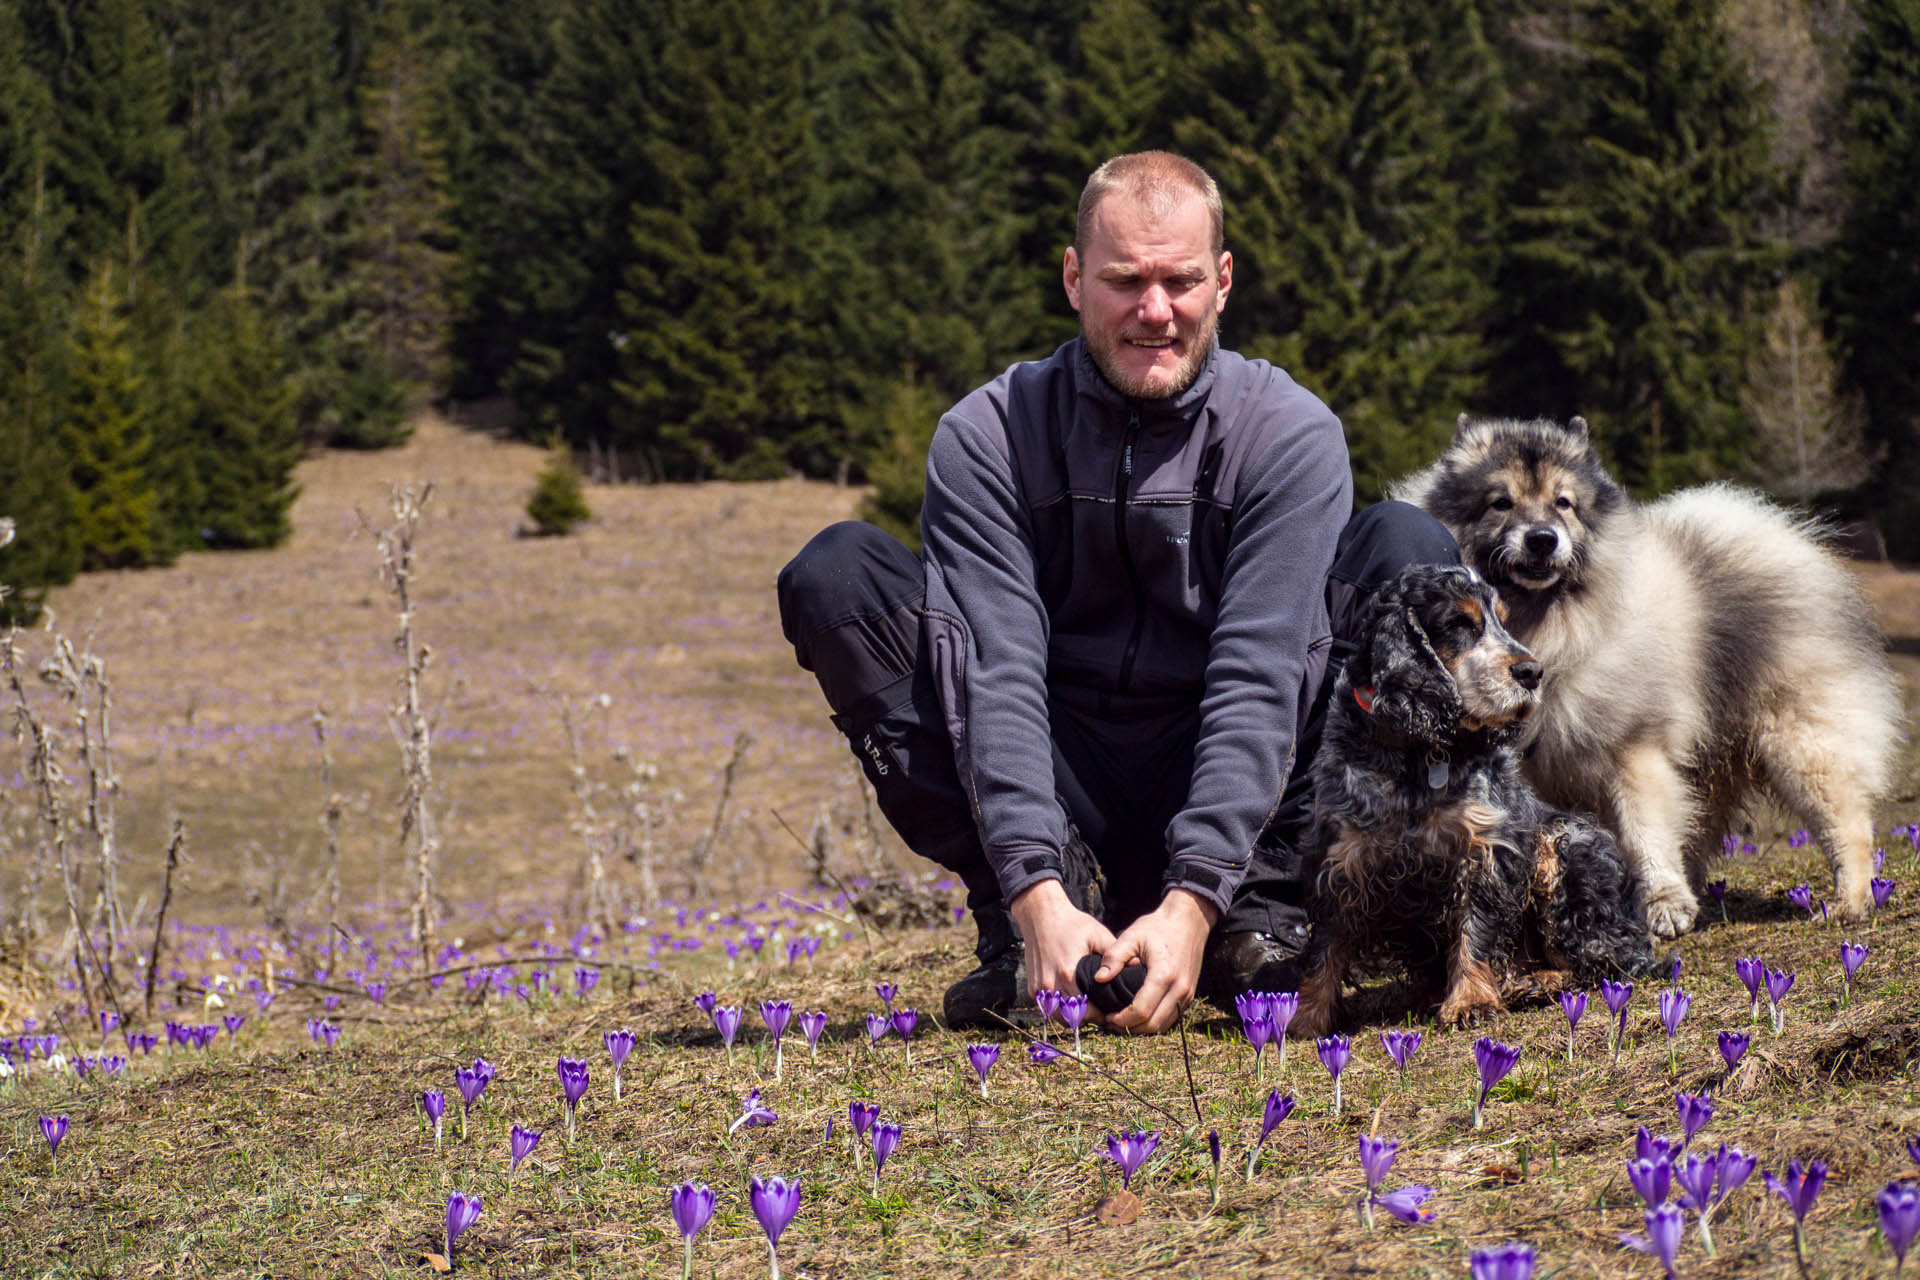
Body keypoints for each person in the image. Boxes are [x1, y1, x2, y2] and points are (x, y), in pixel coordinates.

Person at [778, 151, 1457, 1033]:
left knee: (1409, 553)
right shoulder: (988, 434)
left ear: (1221, 282)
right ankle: (1028, 933)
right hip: (1063, 777)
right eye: (1123, 280)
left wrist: (1197, 899)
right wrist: (1034, 889)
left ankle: (1263, 916)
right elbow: (995, 671)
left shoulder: (1288, 433)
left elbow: (1262, 675)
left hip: (1245, 782)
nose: (1154, 311)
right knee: (838, 577)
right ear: (1072, 278)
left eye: (1178, 281)